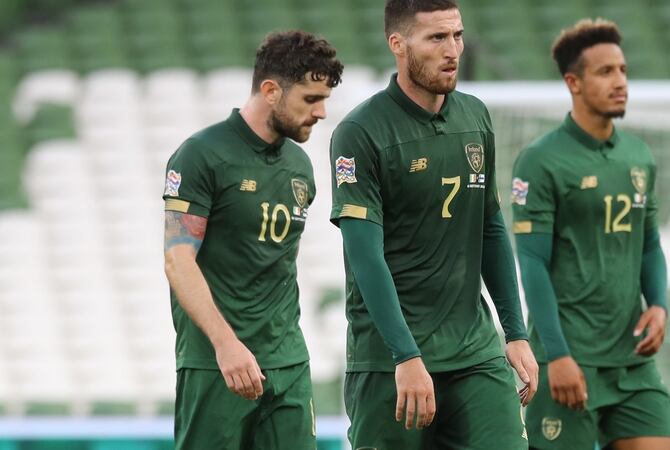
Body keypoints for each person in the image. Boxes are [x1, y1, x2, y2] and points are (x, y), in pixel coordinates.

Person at [329, 1, 538, 449]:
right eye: (437, 38)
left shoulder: (475, 116)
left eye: (457, 35)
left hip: (474, 352)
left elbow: (490, 226)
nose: (453, 50)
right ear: (398, 45)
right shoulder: (360, 132)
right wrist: (405, 355)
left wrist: (515, 332)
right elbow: (364, 256)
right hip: (392, 361)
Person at [162, 30, 342, 450]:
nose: (321, 112)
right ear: (271, 90)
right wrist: (226, 345)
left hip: (288, 362)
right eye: (311, 99)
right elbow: (177, 260)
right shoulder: (201, 155)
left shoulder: (299, 166)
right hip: (216, 363)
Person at [511, 19, 670, 450]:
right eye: (605, 72)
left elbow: (650, 245)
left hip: (632, 362)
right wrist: (558, 356)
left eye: (622, 70)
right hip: (569, 358)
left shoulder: (639, 156)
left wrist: (658, 304)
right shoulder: (541, 161)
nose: (620, 82)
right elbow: (531, 263)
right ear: (574, 83)